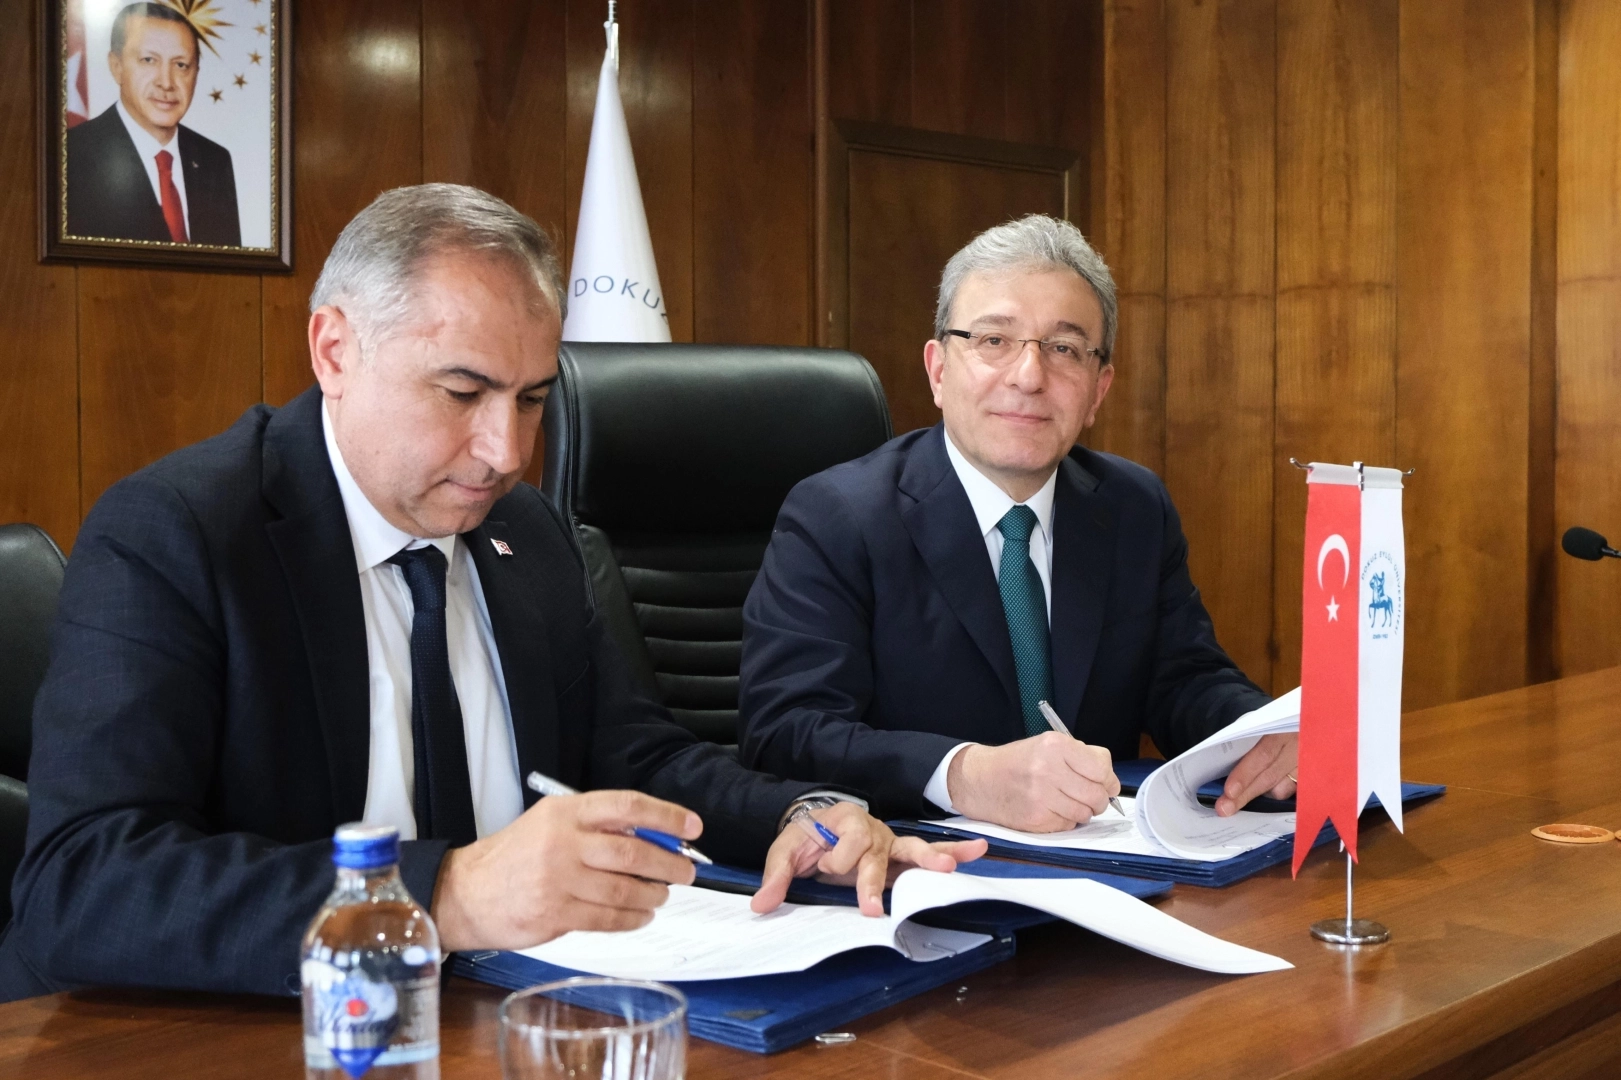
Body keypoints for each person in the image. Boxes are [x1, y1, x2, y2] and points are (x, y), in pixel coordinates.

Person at [0, 184, 981, 1002]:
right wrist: (447, 894)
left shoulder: (524, 531)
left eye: (533, 399)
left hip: (499, 1017)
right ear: (334, 350)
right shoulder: (179, 532)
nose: (505, 452)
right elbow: (83, 884)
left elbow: (636, 758)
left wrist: (801, 814)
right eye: (463, 393)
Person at [739, 214, 1294, 829]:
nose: (1029, 377)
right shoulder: (838, 516)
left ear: (1098, 390)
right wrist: (962, 774)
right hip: (919, 862)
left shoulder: (1132, 507)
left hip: (1105, 859)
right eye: (993, 341)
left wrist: (1264, 734)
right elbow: (785, 731)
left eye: (1064, 349)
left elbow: (1184, 679)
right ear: (939, 371)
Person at [65, 2, 240, 246]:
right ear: (116, 67)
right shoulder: (71, 155)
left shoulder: (215, 161)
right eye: (149, 60)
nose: (166, 83)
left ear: (196, 73)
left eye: (181, 65)